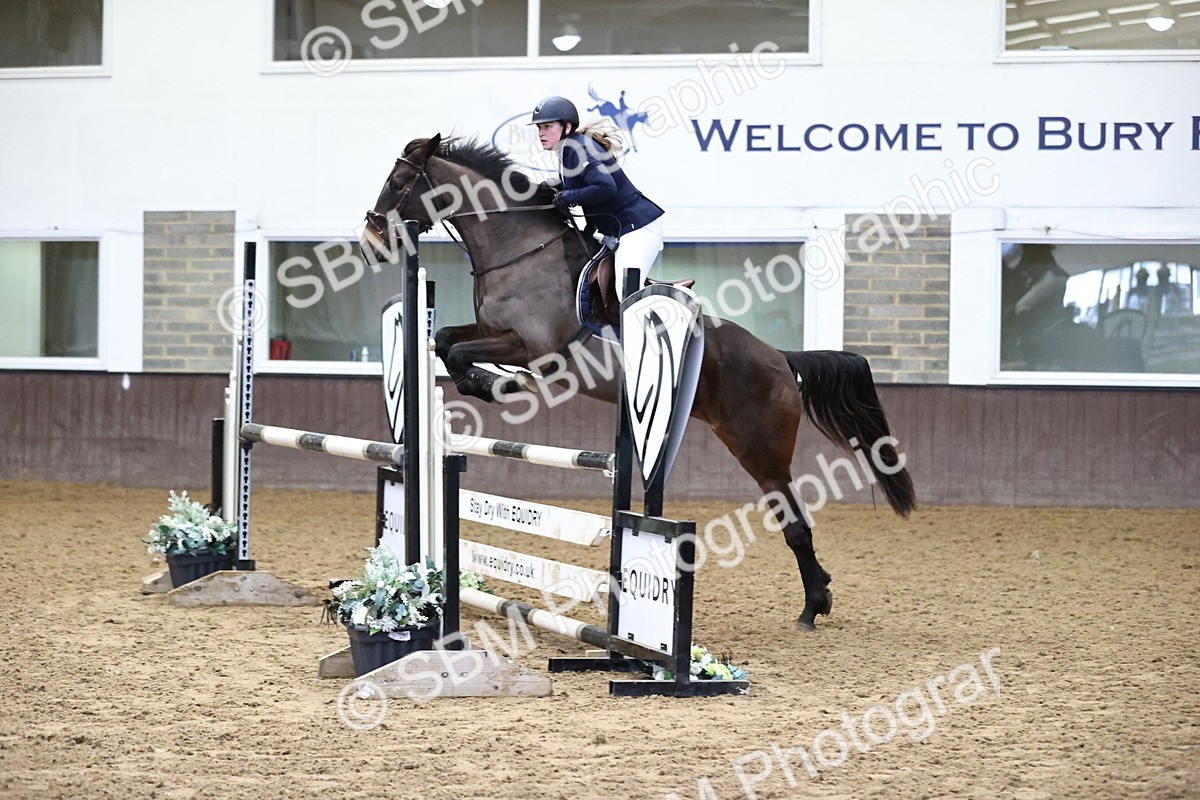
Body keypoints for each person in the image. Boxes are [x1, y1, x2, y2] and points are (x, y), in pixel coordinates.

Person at [531, 95, 664, 300]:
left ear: (567, 127)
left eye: (547, 126)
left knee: (627, 290)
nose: (541, 133)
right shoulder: (566, 151)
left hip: (638, 229)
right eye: (539, 128)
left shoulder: (579, 148)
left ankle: (657, 329)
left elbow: (605, 188)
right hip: (616, 231)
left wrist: (568, 197)